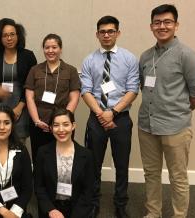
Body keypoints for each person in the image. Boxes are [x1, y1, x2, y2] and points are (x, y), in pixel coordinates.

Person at [138, 4, 195, 218]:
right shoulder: (145, 56)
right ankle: (153, 213)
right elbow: (144, 87)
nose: (162, 26)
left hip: (175, 128)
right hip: (146, 126)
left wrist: (177, 111)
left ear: (176, 25)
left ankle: (179, 215)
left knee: (178, 177)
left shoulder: (187, 55)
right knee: (151, 174)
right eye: (157, 22)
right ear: (151, 26)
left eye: (167, 22)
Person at [80, 16, 139, 218]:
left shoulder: (129, 59)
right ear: (97, 34)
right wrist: (101, 114)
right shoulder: (89, 60)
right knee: (93, 164)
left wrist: (112, 112)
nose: (106, 35)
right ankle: (93, 202)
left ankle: (120, 203)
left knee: (121, 164)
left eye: (111, 31)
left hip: (120, 118)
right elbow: (86, 91)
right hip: (96, 118)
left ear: (118, 33)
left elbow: (132, 90)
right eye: (102, 31)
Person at [25, 33, 81, 162]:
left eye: (54, 47)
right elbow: (29, 98)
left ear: (60, 49)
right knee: (40, 158)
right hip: (39, 124)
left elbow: (74, 98)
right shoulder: (35, 70)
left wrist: (63, 121)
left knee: (63, 158)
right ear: (43, 49)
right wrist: (37, 121)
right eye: (47, 47)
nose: (50, 51)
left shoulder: (70, 70)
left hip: (62, 126)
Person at [34, 108, 96, 218]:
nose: (61, 130)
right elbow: (39, 187)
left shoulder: (86, 155)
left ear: (73, 126)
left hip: (77, 209)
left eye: (66, 124)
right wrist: (51, 210)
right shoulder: (43, 152)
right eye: (56, 125)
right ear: (51, 128)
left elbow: (88, 191)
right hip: (51, 210)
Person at [0, 18, 37, 142]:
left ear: (18, 36)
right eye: (5, 35)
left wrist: (20, 107)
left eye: (12, 34)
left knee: (18, 142)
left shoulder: (28, 56)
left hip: (20, 104)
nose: (9, 38)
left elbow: (32, 85)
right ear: (0, 38)